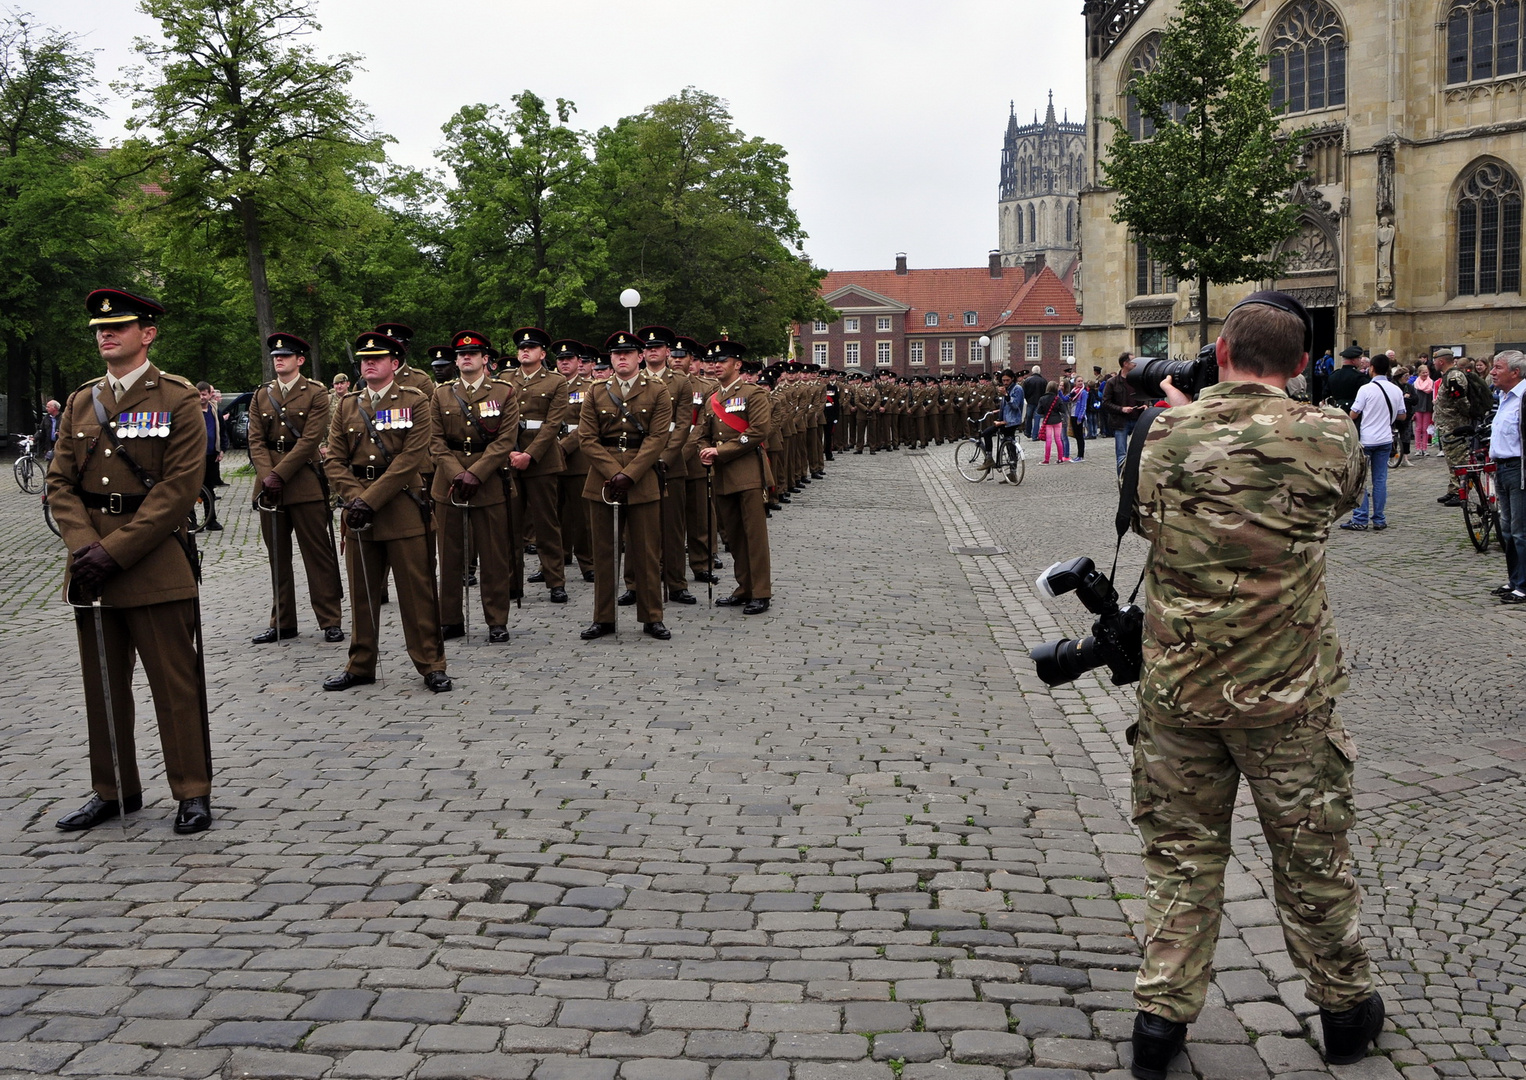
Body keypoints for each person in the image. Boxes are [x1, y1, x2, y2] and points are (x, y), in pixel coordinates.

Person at [1127, 291, 1379, 1079]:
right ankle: (1343, 1011)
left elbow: (1146, 518)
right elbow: (1336, 500)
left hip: (1178, 694)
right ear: (1303, 364)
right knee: (1312, 860)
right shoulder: (1332, 435)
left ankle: (1160, 1025)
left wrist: (1184, 414)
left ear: (1222, 352)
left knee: (1181, 862)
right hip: (1287, 699)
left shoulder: (1163, 431)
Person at [47, 288, 214, 835]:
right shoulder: (80, 401)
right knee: (102, 685)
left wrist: (113, 551)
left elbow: (179, 488)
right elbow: (59, 484)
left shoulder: (177, 399)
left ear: (148, 333)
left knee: (174, 683)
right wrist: (83, 549)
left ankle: (191, 791)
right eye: (99, 327)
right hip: (91, 568)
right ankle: (113, 789)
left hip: (153, 563)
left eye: (118, 326)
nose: (105, 334)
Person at [323, 330, 450, 693]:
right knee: (362, 595)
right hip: (359, 510)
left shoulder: (415, 400)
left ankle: (431, 664)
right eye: (364, 360)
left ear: (394, 363)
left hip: (402, 508)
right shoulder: (347, 404)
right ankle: (360, 664)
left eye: (377, 358)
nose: (369, 364)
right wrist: (354, 497)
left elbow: (411, 458)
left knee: (417, 593)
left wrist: (370, 499)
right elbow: (334, 459)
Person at [246, 332, 345, 643]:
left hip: (303, 481)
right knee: (277, 556)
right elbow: (255, 440)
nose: (279, 360)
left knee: (318, 554)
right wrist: (267, 477)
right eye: (276, 356)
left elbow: (310, 440)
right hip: (269, 487)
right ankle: (282, 621)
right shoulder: (261, 394)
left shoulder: (315, 393)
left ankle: (329, 618)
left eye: (285, 356)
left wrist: (279, 474)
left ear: (299, 360)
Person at [578, 330, 672, 640]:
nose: (621, 358)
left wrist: (629, 474)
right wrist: (612, 472)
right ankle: (603, 617)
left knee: (645, 552)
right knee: (604, 552)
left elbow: (658, 438)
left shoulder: (657, 391)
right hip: (602, 478)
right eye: (616, 354)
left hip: (641, 477)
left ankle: (652, 616)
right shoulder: (595, 391)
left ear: (640, 357)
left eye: (628, 353)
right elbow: (587, 439)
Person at [431, 331, 519, 643]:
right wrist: (457, 473)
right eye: (461, 354)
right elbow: (435, 441)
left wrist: (476, 473)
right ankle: (450, 619)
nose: (466, 357)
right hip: (450, 484)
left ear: (485, 359)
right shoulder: (441, 395)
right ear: (455, 361)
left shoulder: (504, 392)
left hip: (490, 482)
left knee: (494, 556)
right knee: (450, 554)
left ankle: (496, 620)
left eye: (474, 353)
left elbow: (506, 440)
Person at [696, 340, 773, 613]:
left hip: (748, 472)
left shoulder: (753, 394)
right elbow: (703, 433)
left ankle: (761, 591)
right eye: (712, 362)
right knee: (733, 536)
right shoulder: (712, 398)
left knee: (754, 534)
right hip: (722, 474)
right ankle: (744, 587)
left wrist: (720, 451)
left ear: (737, 364)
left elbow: (758, 431)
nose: (715, 366)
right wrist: (703, 451)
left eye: (722, 361)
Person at [508, 327, 571, 603]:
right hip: (509, 458)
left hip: (542, 459)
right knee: (511, 525)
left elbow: (553, 424)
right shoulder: (504, 380)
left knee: (546, 523)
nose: (525, 351)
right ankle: (512, 582)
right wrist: (510, 452)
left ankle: (555, 580)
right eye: (522, 348)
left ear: (542, 354)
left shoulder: (556, 381)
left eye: (531, 348)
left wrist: (529, 455)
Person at [1339, 355, 1406, 532]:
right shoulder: (1396, 390)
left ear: (1372, 368)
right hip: (1385, 438)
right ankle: (1379, 518)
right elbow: (1402, 415)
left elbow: (1354, 414)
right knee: (1380, 479)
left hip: (1367, 439)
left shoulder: (1366, 389)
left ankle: (1360, 518)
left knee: (1361, 480)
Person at [1489, 351, 1526, 605]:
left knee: (1520, 531)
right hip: (1502, 467)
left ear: (1515, 372)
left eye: (1498, 368)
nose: (1492, 372)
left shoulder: (1523, 397)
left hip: (1518, 468)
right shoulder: (1503, 397)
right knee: (1507, 530)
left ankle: (1523, 585)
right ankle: (1515, 580)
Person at [1432, 350, 1471, 506]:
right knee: (1451, 459)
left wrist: (1462, 420)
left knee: (1459, 459)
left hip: (1455, 425)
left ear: (1441, 361)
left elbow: (1461, 401)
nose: (1433, 363)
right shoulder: (1448, 376)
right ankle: (1453, 489)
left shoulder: (1454, 377)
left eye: (1435, 360)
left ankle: (1460, 492)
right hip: (1447, 425)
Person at [195, 380, 228, 530]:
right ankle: (192, 520)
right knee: (193, 489)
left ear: (209, 395)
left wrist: (221, 450)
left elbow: (222, 431)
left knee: (209, 488)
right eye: (199, 394)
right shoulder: (191, 411)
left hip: (211, 455)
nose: (201, 397)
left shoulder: (215, 411)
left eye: (204, 394)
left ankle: (210, 519)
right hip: (195, 457)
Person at [1104, 355, 1144, 472]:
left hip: (1137, 419)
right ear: (1125, 364)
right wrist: (1121, 409)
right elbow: (1106, 403)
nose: (1135, 364)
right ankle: (1122, 483)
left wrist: (1145, 404)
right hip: (1121, 422)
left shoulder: (1137, 379)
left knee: (1139, 453)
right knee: (1121, 455)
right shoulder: (1112, 382)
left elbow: (1143, 395)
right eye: (1133, 361)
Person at [1324, 344, 1369, 414]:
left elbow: (1325, 394)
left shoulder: (1333, 375)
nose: (1360, 361)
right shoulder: (1359, 377)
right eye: (1359, 358)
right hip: (1353, 412)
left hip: (1336, 412)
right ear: (1353, 360)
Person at [1036, 381, 1069, 464]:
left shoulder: (1042, 398)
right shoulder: (1057, 399)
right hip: (1057, 420)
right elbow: (1063, 410)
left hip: (1048, 421)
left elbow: (1039, 411)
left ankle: (1046, 459)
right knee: (1058, 439)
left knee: (1048, 440)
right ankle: (1060, 458)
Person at [1411, 362, 1435, 456]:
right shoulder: (1415, 384)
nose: (1425, 374)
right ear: (1419, 373)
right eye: (1423, 373)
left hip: (1427, 408)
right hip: (1417, 408)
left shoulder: (1431, 383)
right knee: (1418, 428)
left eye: (1426, 372)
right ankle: (1418, 448)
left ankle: (1424, 448)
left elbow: (1432, 396)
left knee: (1425, 429)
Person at [1022, 365, 1046, 440]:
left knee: (1028, 417)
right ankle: (1035, 435)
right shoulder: (1043, 381)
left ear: (1032, 371)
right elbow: (1045, 392)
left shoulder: (1027, 380)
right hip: (1040, 402)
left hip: (1030, 402)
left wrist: (1027, 398)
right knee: (1037, 419)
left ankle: (1028, 432)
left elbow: (1024, 392)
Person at [1069, 378, 1089, 462]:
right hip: (1073, 415)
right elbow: (1066, 399)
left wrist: (1080, 417)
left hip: (1078, 416)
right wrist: (1060, 391)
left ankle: (1080, 455)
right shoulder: (1073, 391)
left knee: (1080, 436)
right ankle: (1079, 455)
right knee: (1076, 436)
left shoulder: (1083, 392)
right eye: (1079, 381)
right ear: (1075, 383)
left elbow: (1083, 406)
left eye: (1081, 381)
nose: (1081, 382)